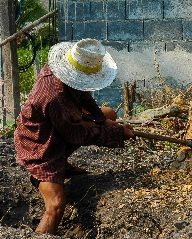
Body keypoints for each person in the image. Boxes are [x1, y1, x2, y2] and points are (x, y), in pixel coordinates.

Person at [14, 38, 134, 235]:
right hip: (39, 145)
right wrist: (118, 133)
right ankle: (44, 175)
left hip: (57, 128)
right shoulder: (55, 98)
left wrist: (103, 121)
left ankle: (63, 162)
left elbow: (84, 96)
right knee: (56, 206)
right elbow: (79, 135)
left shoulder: (65, 70)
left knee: (109, 114)